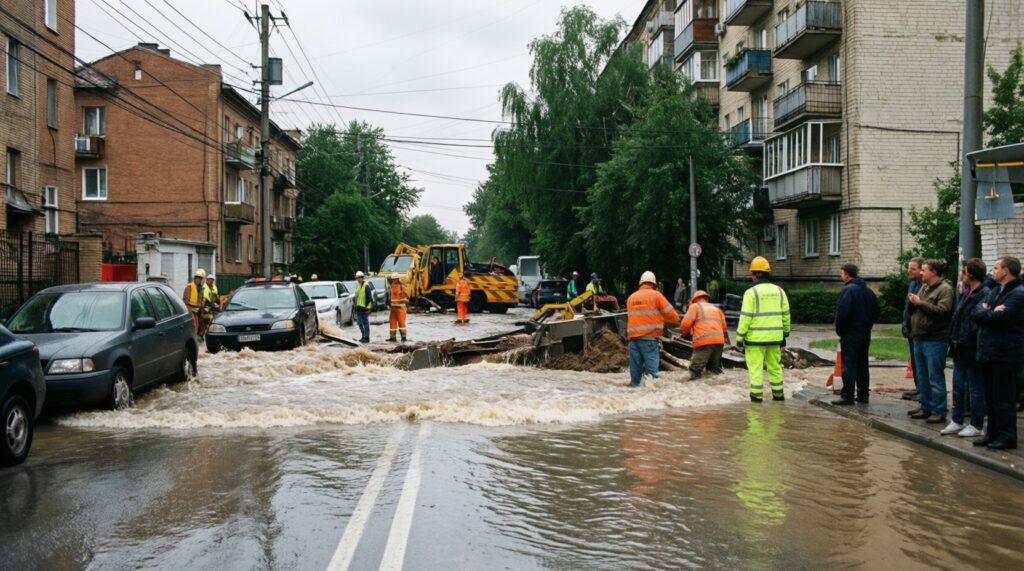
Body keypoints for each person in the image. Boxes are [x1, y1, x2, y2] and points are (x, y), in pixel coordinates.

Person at [971, 256, 1024, 450]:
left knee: (1004, 398)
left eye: (995, 268)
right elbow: (976, 313)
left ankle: (1007, 436)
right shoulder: (995, 290)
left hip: (1005, 353)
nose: (992, 271)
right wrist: (989, 311)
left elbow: (1001, 318)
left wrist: (989, 312)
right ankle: (991, 432)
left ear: (1006, 271)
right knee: (991, 397)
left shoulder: (1018, 293)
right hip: (989, 351)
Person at [943, 258, 989, 437]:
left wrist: (966, 339)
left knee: (975, 387)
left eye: (964, 272)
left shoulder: (984, 292)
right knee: (958, 385)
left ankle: (976, 424)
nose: (961, 275)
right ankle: (956, 420)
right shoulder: (967, 292)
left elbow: (976, 321)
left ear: (971, 274)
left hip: (972, 346)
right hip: (959, 346)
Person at [736, 257, 791, 403]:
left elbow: (745, 318)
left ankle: (756, 401)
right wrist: (785, 332)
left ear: (755, 274)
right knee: (775, 368)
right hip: (775, 338)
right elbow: (786, 315)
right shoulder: (780, 291)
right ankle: (779, 397)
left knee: (755, 370)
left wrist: (739, 338)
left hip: (755, 340)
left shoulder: (750, 293)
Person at [907, 259, 954, 423]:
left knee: (935, 377)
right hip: (919, 337)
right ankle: (926, 406)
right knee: (922, 376)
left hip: (935, 339)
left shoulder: (945, 290)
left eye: (924, 270)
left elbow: (943, 311)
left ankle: (939, 410)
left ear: (934, 272)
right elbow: (917, 310)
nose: (921, 272)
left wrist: (920, 303)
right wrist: (913, 304)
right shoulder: (923, 287)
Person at [831, 263, 881, 405]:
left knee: (849, 365)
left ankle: (847, 395)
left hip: (850, 333)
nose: (841, 276)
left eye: (841, 273)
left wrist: (841, 330)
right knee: (862, 364)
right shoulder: (867, 290)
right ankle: (863, 394)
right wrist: (867, 324)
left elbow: (842, 314)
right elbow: (877, 310)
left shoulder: (848, 290)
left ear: (846, 274)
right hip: (864, 333)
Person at [625, 271, 679, 387]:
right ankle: (653, 400)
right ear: (654, 284)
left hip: (633, 340)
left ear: (641, 283)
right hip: (649, 339)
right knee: (652, 377)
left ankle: (633, 398)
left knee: (635, 379)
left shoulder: (631, 298)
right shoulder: (656, 295)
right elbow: (673, 316)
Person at [678, 289, 728, 379]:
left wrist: (686, 334)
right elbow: (724, 327)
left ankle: (694, 391)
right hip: (719, 342)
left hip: (704, 342)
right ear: (706, 299)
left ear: (694, 300)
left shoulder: (695, 307)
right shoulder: (716, 309)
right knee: (713, 371)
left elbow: (684, 325)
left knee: (694, 370)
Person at [902, 257, 925, 401]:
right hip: (910, 329)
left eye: (913, 269)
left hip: (920, 330)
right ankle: (919, 388)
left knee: (921, 363)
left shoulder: (924, 286)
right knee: (915, 361)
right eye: (908, 268)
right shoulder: (912, 284)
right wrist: (905, 323)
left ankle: (924, 391)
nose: (909, 271)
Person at [182, 268, 208, 337]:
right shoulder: (190, 287)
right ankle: (193, 337)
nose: (199, 280)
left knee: (200, 324)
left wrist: (203, 302)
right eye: (198, 278)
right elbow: (185, 299)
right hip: (191, 309)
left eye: (200, 279)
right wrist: (188, 310)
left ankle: (199, 335)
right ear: (195, 278)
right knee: (194, 324)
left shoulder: (200, 288)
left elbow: (201, 298)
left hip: (198, 309)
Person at [354, 270, 375, 343]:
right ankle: (363, 336)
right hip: (359, 308)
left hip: (364, 308)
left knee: (365, 323)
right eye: (357, 278)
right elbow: (357, 297)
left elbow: (370, 298)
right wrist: (355, 306)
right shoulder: (359, 286)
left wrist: (369, 308)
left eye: (359, 278)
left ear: (362, 278)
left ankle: (367, 337)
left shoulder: (366, 286)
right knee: (360, 323)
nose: (358, 280)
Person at [388, 276, 409, 342]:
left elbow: (406, 295)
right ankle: (392, 337)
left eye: (395, 279)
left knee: (401, 323)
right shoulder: (392, 286)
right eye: (393, 279)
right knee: (392, 323)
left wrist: (402, 298)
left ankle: (403, 337)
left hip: (401, 308)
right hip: (393, 308)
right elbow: (391, 296)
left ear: (397, 279)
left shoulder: (402, 286)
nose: (394, 280)